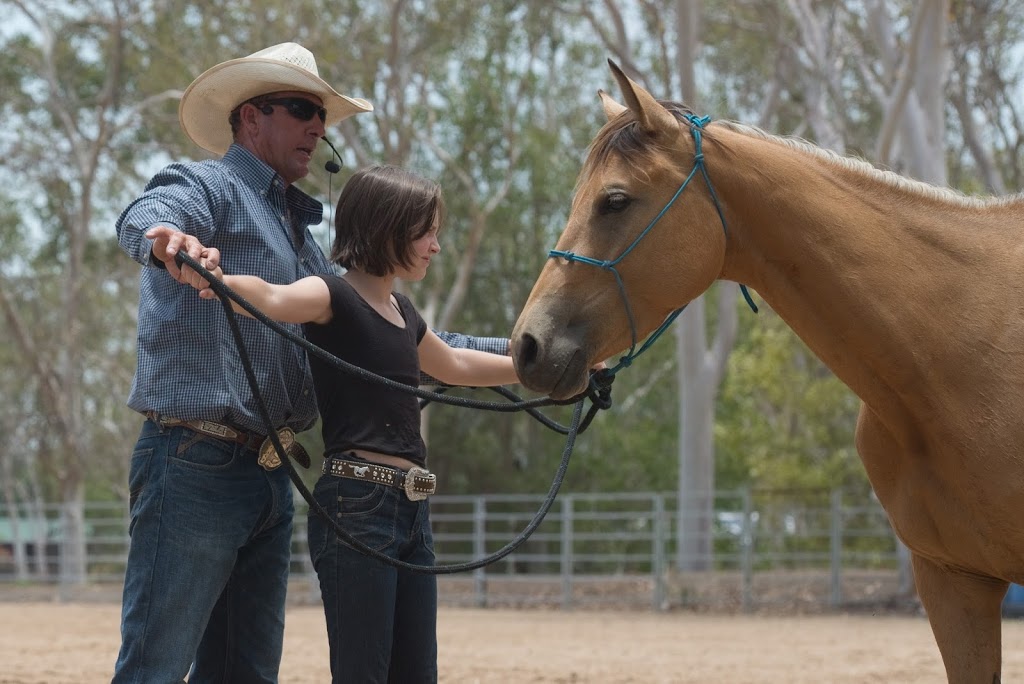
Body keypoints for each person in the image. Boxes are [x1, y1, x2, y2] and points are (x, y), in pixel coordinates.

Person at [113, 43, 509, 683]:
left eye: (321, 115)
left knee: (247, 673)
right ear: (250, 118)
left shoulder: (309, 250)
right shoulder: (206, 185)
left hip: (271, 475)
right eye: (302, 109)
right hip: (194, 464)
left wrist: (535, 356)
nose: (318, 127)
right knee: (154, 667)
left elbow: (422, 344)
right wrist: (168, 241)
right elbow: (150, 214)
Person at [193, 164, 519, 683]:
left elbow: (455, 364)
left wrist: (545, 376)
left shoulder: (404, 313)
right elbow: (275, 299)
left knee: (416, 674)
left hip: (411, 510)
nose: (436, 246)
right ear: (388, 227)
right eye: (426, 232)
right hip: (358, 506)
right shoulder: (331, 295)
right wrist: (218, 279)